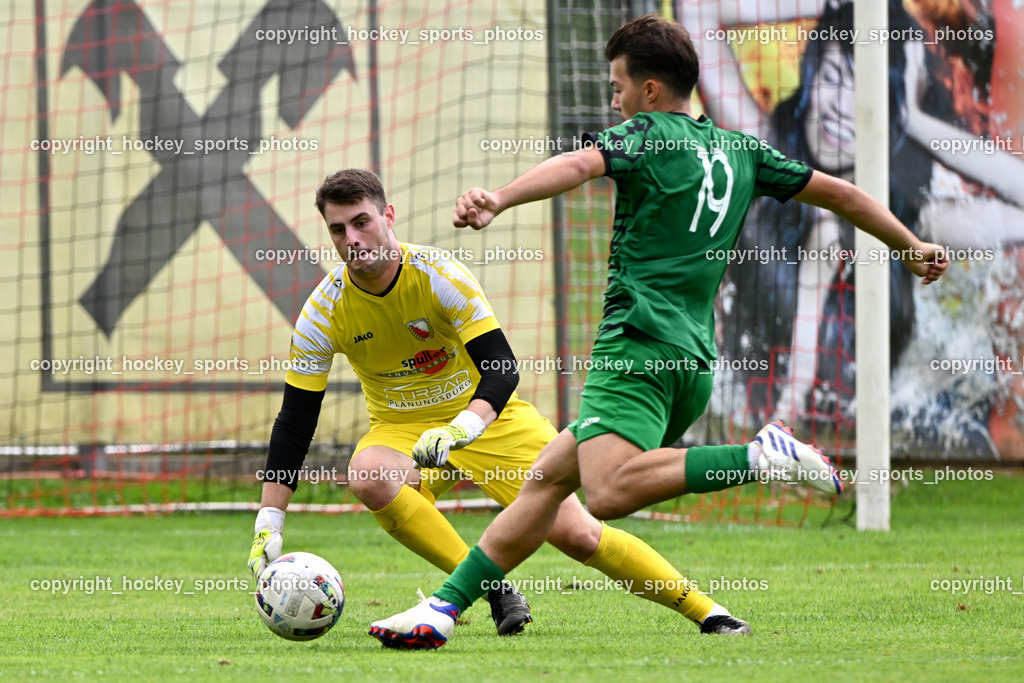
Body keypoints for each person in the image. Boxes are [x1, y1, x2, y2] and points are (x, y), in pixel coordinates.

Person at [369, 14, 948, 649]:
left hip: (636, 345)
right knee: (545, 482)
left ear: (649, 90)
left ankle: (758, 457)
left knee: (608, 491)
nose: (613, 101)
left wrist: (500, 198)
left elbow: (579, 164)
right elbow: (842, 194)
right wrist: (911, 245)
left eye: (617, 87)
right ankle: (443, 611)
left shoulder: (645, 134)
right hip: (692, 361)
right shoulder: (743, 150)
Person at [247, 168, 760, 637]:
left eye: (361, 222)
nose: (353, 239)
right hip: (403, 430)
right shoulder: (323, 310)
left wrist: (463, 427)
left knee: (578, 535)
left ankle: (708, 613)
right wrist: (270, 520)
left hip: (490, 418)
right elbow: (296, 420)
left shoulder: (438, 274)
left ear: (388, 216)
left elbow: (501, 368)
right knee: (370, 474)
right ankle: (492, 588)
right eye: (338, 230)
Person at [685, 0, 933, 422]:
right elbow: (696, 12)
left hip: (846, 418)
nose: (841, 105)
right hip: (755, 408)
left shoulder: (910, 208)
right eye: (832, 77)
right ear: (810, 74)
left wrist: (918, 121)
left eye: (863, 90)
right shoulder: (767, 151)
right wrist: (829, 3)